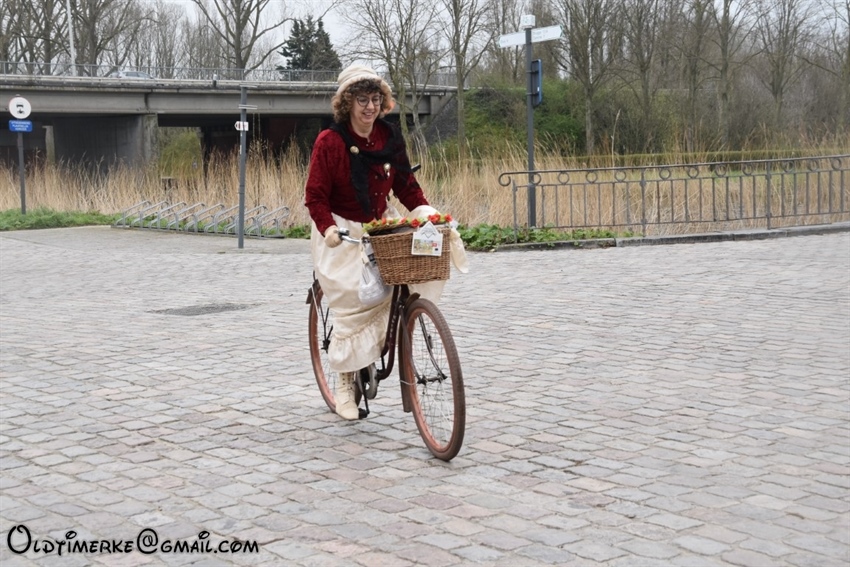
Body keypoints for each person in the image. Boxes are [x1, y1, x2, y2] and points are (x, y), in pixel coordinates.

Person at [305, 64, 465, 421]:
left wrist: (429, 214)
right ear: (347, 103)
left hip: (378, 225)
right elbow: (315, 196)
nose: (370, 107)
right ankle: (345, 381)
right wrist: (328, 229)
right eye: (362, 99)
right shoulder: (330, 142)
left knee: (407, 273)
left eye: (376, 99)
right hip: (340, 232)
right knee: (352, 298)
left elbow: (406, 186)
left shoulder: (388, 136)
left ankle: (381, 342)